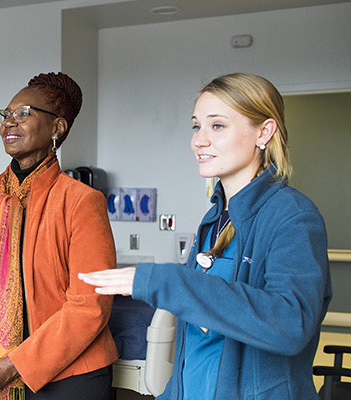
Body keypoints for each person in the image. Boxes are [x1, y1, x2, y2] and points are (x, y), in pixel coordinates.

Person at [79, 73, 332, 399]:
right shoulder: (214, 219)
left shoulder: (292, 216)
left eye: (217, 126)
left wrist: (164, 281)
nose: (198, 140)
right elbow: (198, 344)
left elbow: (289, 325)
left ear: (263, 132)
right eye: (196, 126)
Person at [0, 72, 118, 400]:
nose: (9, 122)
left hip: (72, 377)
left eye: (24, 113)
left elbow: (90, 305)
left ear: (57, 128)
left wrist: (14, 364)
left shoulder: (81, 202)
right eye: (6, 115)